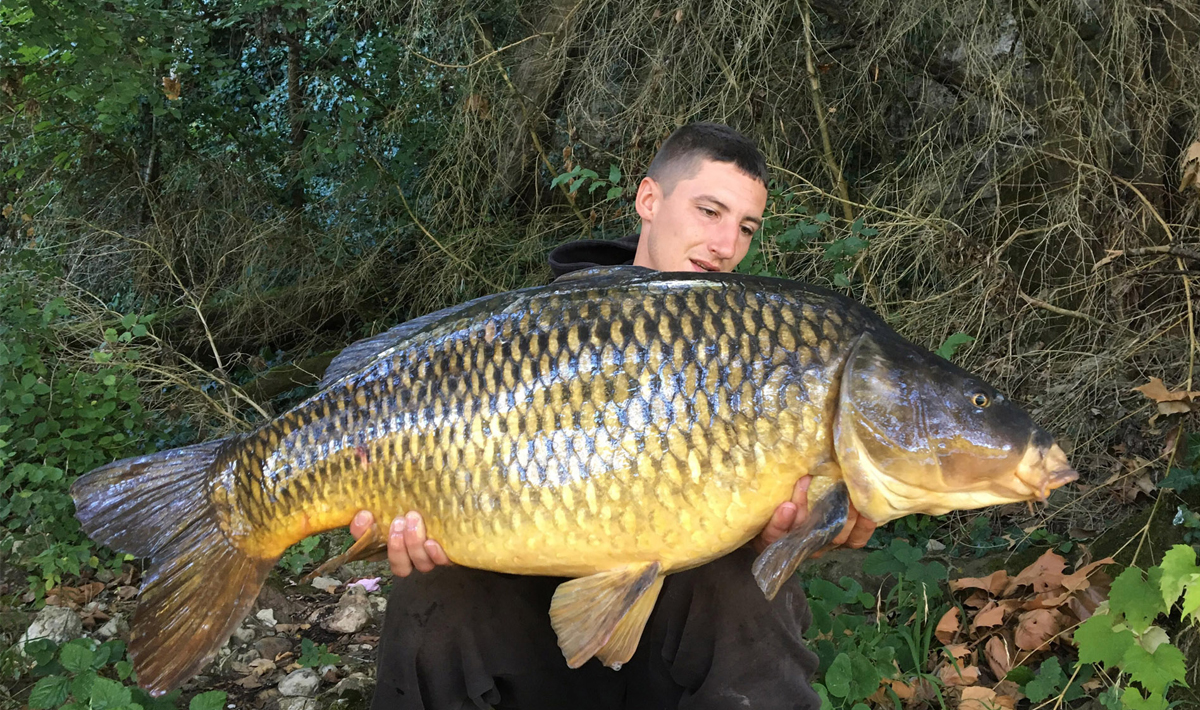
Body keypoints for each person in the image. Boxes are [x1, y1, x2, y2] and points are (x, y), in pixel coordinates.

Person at [350, 122, 877, 709]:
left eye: (746, 227)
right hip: (523, 624)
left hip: (665, 639)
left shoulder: (753, 345)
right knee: (431, 590)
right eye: (709, 211)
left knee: (748, 588)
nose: (727, 245)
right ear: (649, 200)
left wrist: (782, 538)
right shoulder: (543, 331)